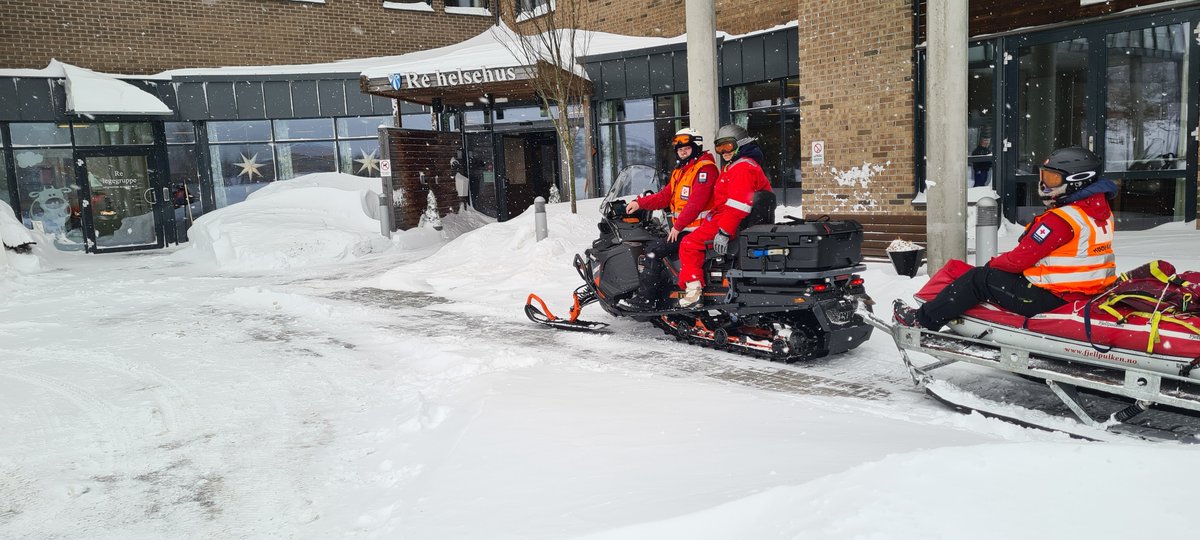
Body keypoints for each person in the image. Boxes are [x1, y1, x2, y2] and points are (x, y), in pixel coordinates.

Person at [893, 146, 1118, 329]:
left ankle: (922, 321)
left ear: (1078, 180)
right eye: (1044, 176)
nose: (1044, 184)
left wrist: (992, 265)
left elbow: (1019, 259)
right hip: (1085, 293)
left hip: (1053, 297)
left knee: (979, 278)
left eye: (1052, 179)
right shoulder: (1098, 213)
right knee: (993, 277)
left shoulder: (1061, 219)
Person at [620, 127, 720, 310]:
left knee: (653, 250)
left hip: (699, 230)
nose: (683, 152)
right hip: (686, 228)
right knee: (657, 245)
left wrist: (678, 226)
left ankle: (646, 300)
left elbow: (696, 203)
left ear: (696, 148)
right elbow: (665, 197)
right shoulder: (681, 171)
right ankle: (666, 293)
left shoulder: (705, 169)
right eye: (680, 149)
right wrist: (640, 203)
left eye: (687, 148)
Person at [676, 124, 773, 308]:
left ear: (741, 144)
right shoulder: (738, 165)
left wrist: (724, 232)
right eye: (719, 148)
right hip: (731, 219)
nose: (724, 152)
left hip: (732, 221)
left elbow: (738, 205)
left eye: (728, 146)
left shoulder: (742, 168)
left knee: (689, 244)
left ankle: (693, 293)